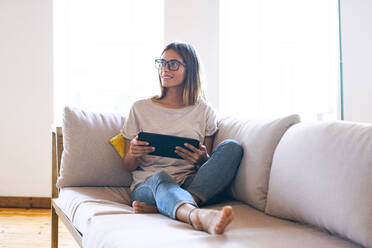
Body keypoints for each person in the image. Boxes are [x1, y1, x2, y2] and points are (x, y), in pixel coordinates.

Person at [121, 42, 243, 235]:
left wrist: (202, 159)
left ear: (190, 69)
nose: (164, 69)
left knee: (232, 147)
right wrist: (133, 153)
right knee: (161, 177)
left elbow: (205, 165)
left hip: (189, 183)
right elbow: (127, 165)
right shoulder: (140, 108)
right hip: (148, 186)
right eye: (162, 63)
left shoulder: (204, 111)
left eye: (173, 64)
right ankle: (195, 215)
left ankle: (170, 205)